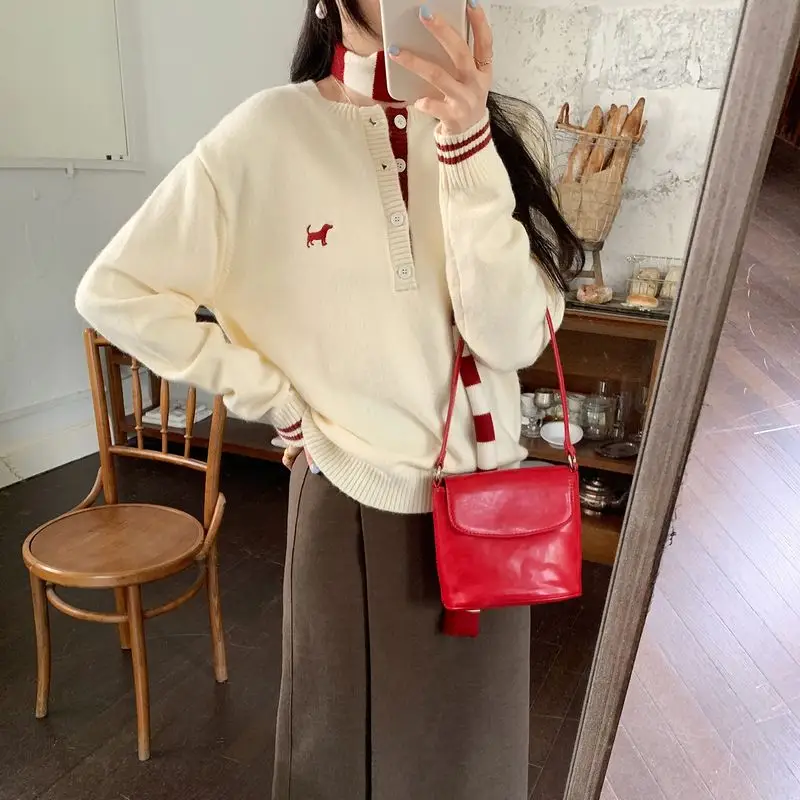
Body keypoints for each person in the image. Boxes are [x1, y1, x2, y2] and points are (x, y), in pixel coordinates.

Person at [75, 0, 584, 796]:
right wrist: (278, 400)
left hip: (494, 521)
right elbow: (115, 290)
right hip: (356, 506)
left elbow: (514, 338)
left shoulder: (497, 131)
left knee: (476, 770)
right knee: (344, 769)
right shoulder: (268, 134)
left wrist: (469, 142)